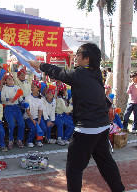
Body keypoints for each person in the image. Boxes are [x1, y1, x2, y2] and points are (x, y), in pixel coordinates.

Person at [29, 43, 125, 192]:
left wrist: (39, 65)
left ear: (86, 59)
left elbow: (59, 72)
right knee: (105, 161)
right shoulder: (96, 72)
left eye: (78, 54)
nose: (75, 57)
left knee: (74, 167)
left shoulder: (80, 74)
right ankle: (118, 189)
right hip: (103, 126)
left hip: (87, 130)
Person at [1, 74, 25, 149]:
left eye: (11, 78)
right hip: (8, 108)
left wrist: (23, 103)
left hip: (16, 107)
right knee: (11, 124)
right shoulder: (4, 88)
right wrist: (8, 99)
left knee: (22, 124)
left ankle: (19, 139)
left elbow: (20, 98)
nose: (10, 80)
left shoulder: (17, 87)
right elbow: (2, 98)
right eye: (8, 79)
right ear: (5, 81)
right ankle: (10, 140)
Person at [24, 80, 47, 147]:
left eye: (34, 87)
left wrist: (39, 120)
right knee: (33, 128)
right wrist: (32, 120)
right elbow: (27, 110)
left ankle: (38, 140)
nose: (32, 88)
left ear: (39, 88)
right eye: (32, 87)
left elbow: (40, 110)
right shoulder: (27, 97)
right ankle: (29, 141)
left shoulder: (41, 98)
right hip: (28, 117)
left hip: (37, 117)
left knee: (44, 128)